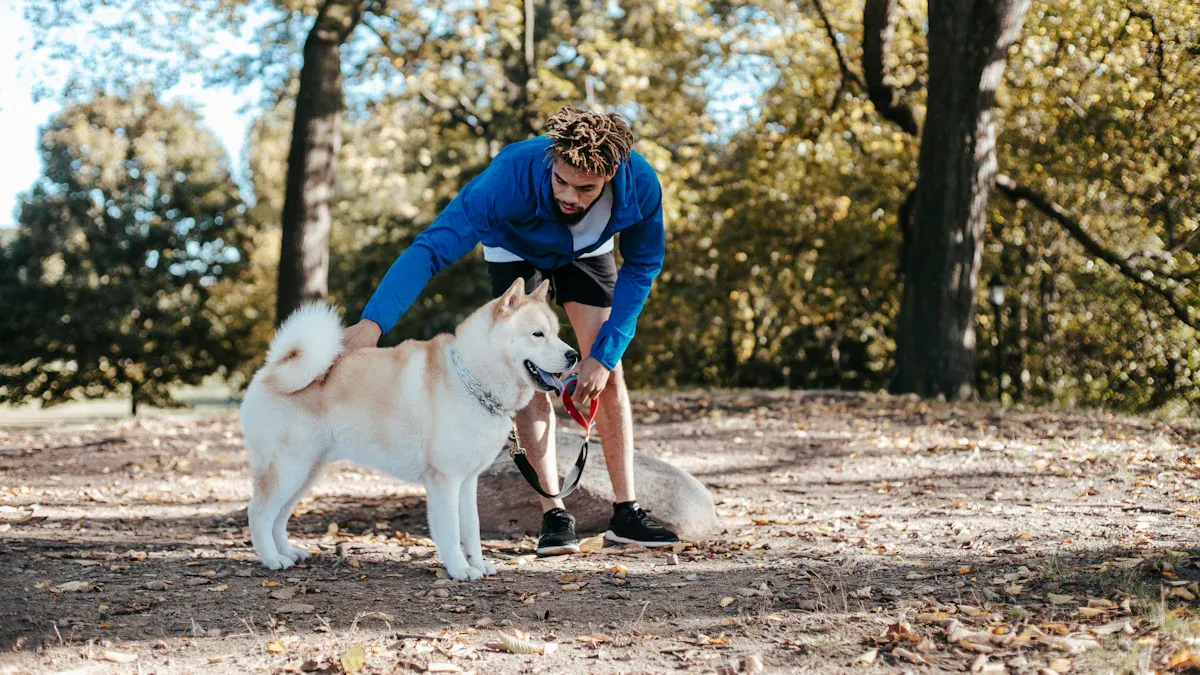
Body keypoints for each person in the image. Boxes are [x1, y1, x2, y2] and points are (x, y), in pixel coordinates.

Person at [340, 106, 680, 555]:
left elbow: (643, 265)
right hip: (515, 247)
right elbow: (432, 248)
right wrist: (373, 322)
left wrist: (604, 355)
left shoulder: (641, 183)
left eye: (586, 188)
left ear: (613, 174)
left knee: (607, 370)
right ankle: (554, 514)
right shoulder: (510, 175)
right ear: (551, 160)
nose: (571, 196)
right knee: (528, 377)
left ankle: (626, 512)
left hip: (587, 250)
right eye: (561, 181)